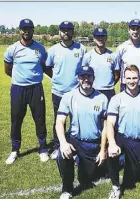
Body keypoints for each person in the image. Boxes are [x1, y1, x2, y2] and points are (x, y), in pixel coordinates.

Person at [55, 66, 108, 199]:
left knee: (89, 178)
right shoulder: (69, 96)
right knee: (62, 154)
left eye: (89, 76)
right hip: (75, 140)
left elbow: (105, 128)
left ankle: (86, 161)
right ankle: (66, 190)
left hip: (93, 144)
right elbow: (60, 121)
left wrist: (103, 150)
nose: (86, 79)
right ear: (78, 78)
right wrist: (63, 143)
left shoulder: (102, 98)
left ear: (93, 78)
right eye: (82, 76)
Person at [106, 64, 140, 199]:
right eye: (128, 78)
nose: (131, 81)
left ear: (139, 78)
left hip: (138, 141)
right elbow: (110, 123)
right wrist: (112, 143)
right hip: (121, 137)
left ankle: (137, 159)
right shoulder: (117, 99)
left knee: (130, 179)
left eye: (134, 78)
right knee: (111, 155)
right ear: (123, 79)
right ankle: (115, 187)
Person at [4, 19, 49, 164]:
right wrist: (21, 79)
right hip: (18, 88)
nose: (26, 31)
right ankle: (15, 150)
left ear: (33, 30)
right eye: (24, 29)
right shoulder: (12, 49)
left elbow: (44, 66)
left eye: (29, 29)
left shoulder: (40, 49)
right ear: (19, 30)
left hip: (36, 88)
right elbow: (7, 69)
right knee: (16, 120)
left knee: (40, 119)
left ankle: (43, 148)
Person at [45, 21, 87, 160]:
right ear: (59, 32)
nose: (66, 33)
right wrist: (56, 79)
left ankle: (76, 147)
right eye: (63, 30)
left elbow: (85, 70)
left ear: (72, 32)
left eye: (69, 30)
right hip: (58, 92)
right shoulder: (53, 50)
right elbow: (47, 67)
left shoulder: (81, 49)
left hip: (76, 93)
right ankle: (57, 146)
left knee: (77, 120)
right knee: (59, 120)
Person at [115, 19, 140, 95]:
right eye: (133, 29)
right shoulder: (121, 48)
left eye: (138, 29)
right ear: (129, 30)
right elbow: (118, 69)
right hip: (126, 86)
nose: (135, 32)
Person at [82, 27, 119, 101]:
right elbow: (84, 74)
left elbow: (117, 75)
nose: (100, 39)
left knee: (109, 112)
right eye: (98, 37)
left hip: (109, 91)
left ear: (106, 38)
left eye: (103, 36)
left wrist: (108, 85)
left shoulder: (113, 56)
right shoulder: (87, 56)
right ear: (94, 38)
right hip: (93, 90)